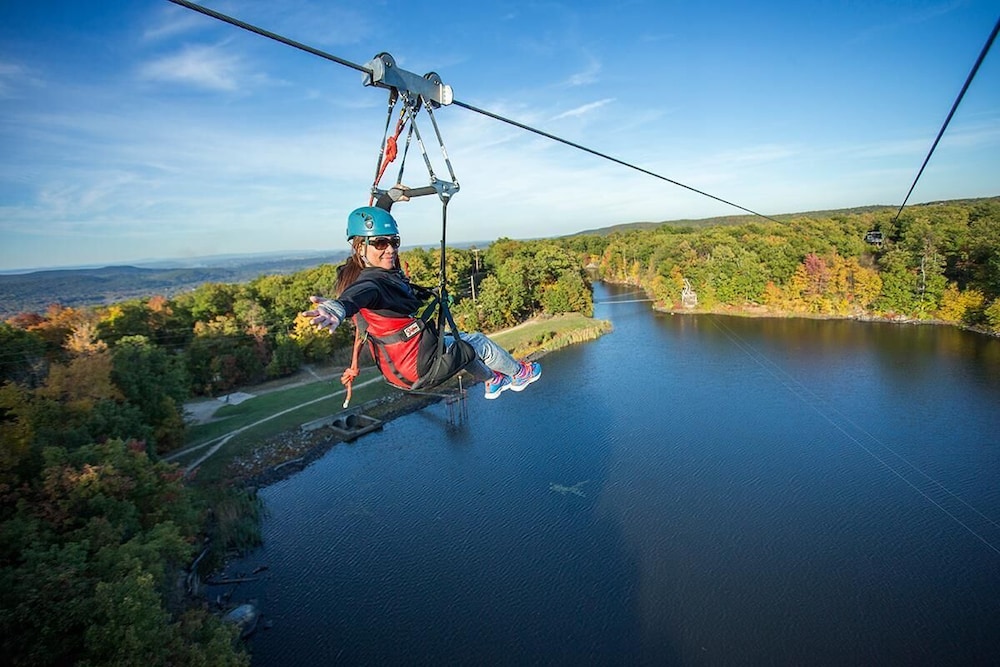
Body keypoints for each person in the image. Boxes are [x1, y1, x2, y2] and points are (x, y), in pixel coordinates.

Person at [302, 198, 540, 400]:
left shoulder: (372, 274)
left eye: (394, 241)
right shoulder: (372, 284)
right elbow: (355, 297)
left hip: (401, 364)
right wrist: (336, 308)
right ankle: (519, 374)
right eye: (380, 243)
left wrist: (388, 199)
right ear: (360, 247)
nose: (390, 249)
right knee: (479, 343)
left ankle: (493, 380)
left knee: (460, 343)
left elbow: (362, 291)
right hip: (418, 365)